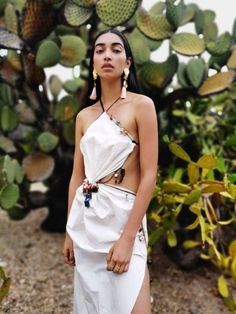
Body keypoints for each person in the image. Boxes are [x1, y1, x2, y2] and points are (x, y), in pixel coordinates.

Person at [62, 28, 158, 314]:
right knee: (93, 304)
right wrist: (69, 232)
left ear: (127, 63)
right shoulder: (83, 117)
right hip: (88, 221)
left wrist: (128, 238)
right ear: (92, 61)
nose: (107, 55)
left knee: (135, 304)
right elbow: (77, 178)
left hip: (123, 219)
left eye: (116, 50)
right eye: (100, 49)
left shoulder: (142, 106)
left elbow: (149, 174)